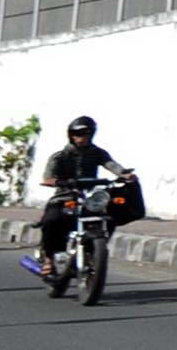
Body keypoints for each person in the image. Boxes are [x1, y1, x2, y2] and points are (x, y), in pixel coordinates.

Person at [21, 115, 127, 275]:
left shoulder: (98, 153)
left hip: (89, 197)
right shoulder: (60, 156)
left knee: (109, 219)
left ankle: (93, 252)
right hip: (65, 196)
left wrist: (125, 174)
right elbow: (48, 176)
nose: (82, 138)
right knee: (51, 220)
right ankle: (49, 258)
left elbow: (112, 165)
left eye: (86, 133)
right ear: (70, 135)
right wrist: (54, 181)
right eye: (78, 134)